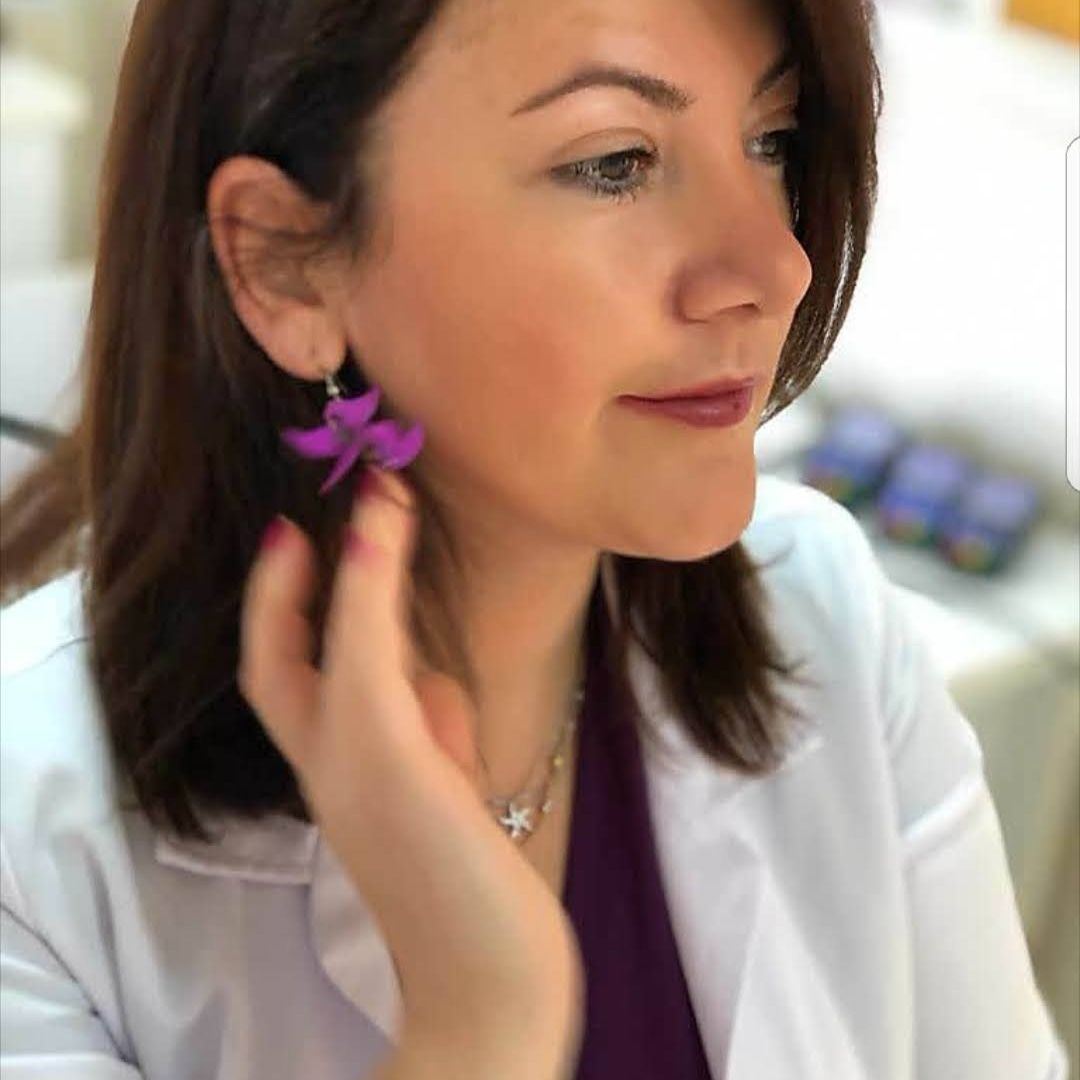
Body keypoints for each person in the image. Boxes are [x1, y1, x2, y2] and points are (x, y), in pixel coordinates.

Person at [0, 0, 1069, 1077]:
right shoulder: (28, 858)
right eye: (614, 163)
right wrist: (479, 1026)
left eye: (772, 139)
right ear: (286, 262)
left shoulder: (833, 618)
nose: (773, 265)